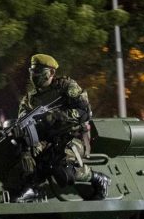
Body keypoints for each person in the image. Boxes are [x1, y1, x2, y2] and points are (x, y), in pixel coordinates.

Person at [14, 54, 110, 201]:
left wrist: (58, 116)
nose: (34, 75)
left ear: (51, 73)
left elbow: (85, 112)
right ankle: (32, 187)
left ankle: (97, 178)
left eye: (38, 71)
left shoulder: (66, 87)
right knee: (25, 152)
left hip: (72, 138)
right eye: (32, 71)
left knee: (62, 172)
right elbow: (22, 119)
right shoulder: (29, 99)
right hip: (46, 140)